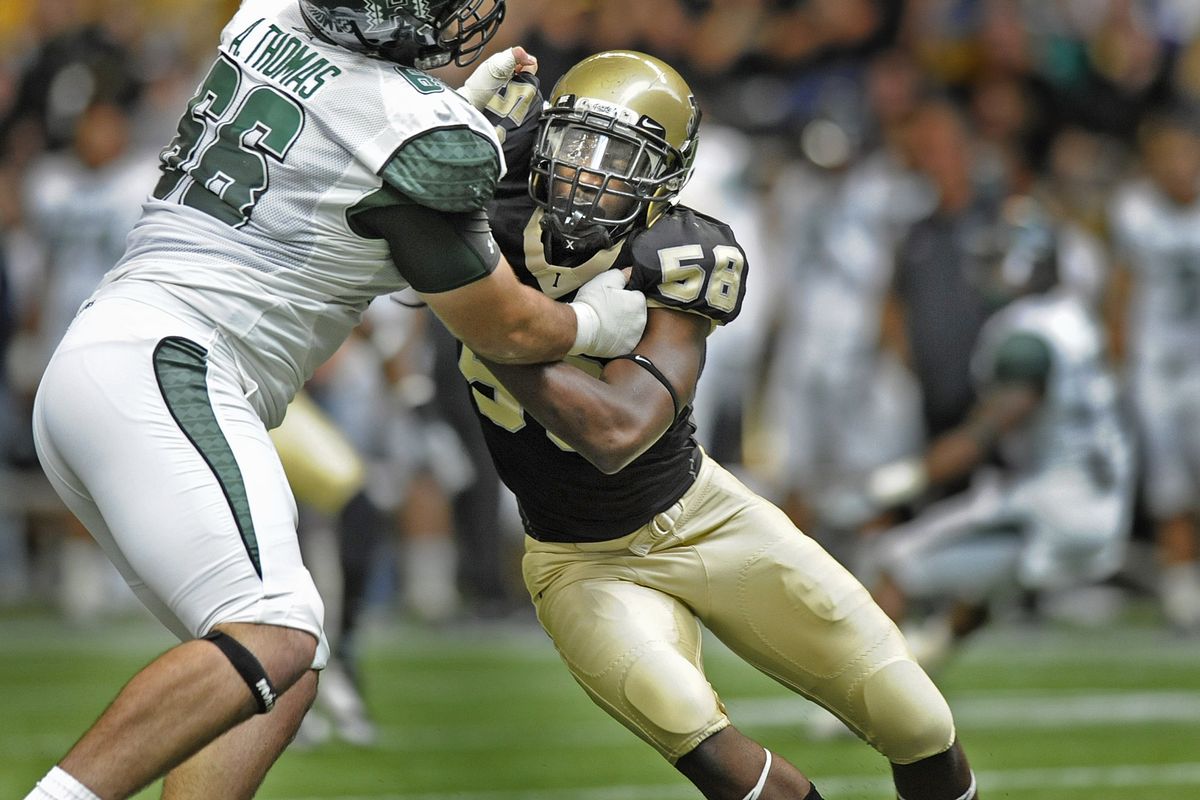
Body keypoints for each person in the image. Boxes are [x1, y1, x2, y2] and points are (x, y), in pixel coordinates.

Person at [23, 1, 649, 797]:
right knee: (276, 630)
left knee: (279, 674)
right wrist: (591, 323)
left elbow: (340, 142)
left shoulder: (269, 16)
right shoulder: (416, 135)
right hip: (171, 366)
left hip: (109, 360)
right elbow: (507, 326)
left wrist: (455, 106)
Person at [456, 50, 979, 800]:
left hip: (704, 518)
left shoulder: (679, 250)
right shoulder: (488, 203)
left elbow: (616, 432)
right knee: (694, 724)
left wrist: (489, 318)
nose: (589, 175)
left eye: (619, 158)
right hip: (579, 559)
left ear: (665, 178)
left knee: (915, 715)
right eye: (576, 146)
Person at [842, 196, 1135, 666]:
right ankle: (930, 649)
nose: (986, 272)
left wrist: (901, 481)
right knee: (982, 577)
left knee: (893, 561)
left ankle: (864, 697)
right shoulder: (1075, 320)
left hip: (1051, 507)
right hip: (1100, 500)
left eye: (997, 260)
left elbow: (985, 433)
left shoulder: (1025, 339)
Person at [1108, 110, 1200, 634]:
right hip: (1157, 366)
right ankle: (1183, 591)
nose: (1174, 166)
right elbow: (1120, 291)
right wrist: (1118, 356)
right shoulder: (1135, 211)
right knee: (1169, 487)